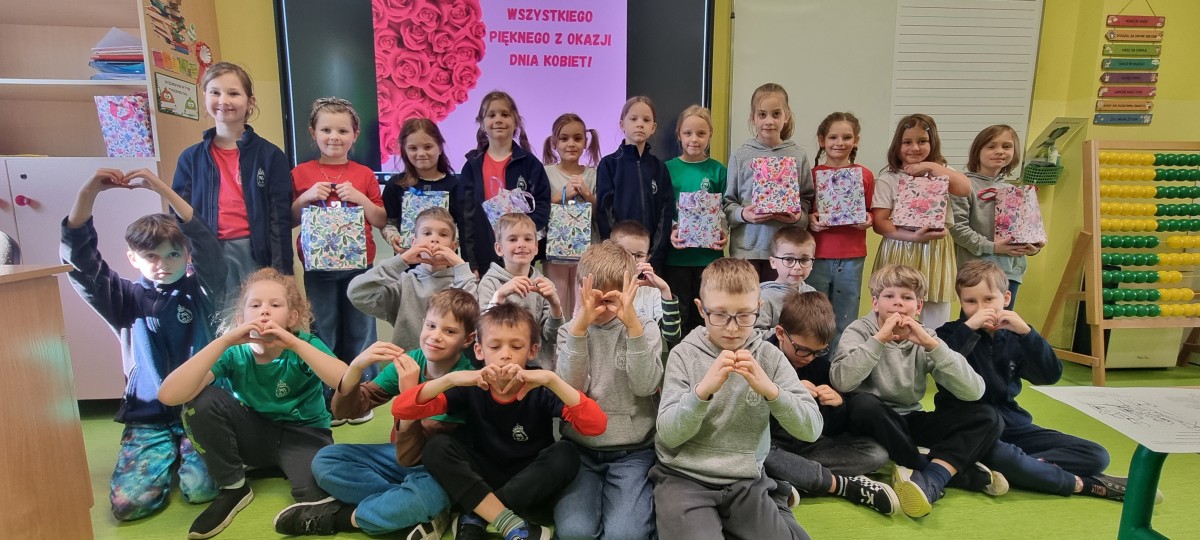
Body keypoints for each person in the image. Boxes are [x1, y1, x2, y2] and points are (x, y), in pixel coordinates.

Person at [61, 167, 226, 521]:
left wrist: (162, 188)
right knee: (129, 506)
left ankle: (186, 455)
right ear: (133, 258)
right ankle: (163, 454)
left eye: (173, 255)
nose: (162, 264)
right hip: (148, 416)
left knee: (201, 490)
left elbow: (207, 245)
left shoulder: (203, 292)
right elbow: (81, 263)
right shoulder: (123, 298)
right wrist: (88, 193)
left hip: (199, 409)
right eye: (151, 256)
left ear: (187, 256)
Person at [271, 289, 480, 538]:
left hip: (437, 470)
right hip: (398, 459)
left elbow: (412, 456)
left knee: (430, 495)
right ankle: (404, 507)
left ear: (468, 340)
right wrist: (356, 366)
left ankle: (341, 518)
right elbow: (347, 410)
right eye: (431, 325)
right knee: (326, 460)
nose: (435, 336)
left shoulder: (465, 382)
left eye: (450, 331)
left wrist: (409, 396)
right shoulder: (412, 360)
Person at [158, 268, 348, 539]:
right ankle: (234, 487)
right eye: (255, 305)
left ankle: (283, 467)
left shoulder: (304, 345)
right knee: (199, 400)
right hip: (254, 434)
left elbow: (345, 382)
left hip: (304, 434)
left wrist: (295, 344)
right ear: (241, 318)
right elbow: (169, 395)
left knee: (319, 494)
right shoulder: (234, 353)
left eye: (275, 305)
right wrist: (224, 341)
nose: (264, 311)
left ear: (292, 317)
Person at [392, 303, 608, 540]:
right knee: (436, 447)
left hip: (528, 484)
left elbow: (596, 426)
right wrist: (450, 379)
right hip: (481, 477)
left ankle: (477, 517)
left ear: (532, 350)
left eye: (516, 346)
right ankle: (505, 521)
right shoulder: (472, 384)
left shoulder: (541, 387)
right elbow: (402, 408)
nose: (506, 354)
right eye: (495, 346)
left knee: (566, 453)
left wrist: (552, 379)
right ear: (479, 350)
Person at [937, 260, 1136, 501]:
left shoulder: (1015, 335)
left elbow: (1049, 375)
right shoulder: (949, 333)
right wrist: (968, 329)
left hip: (1013, 425)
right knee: (1004, 457)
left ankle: (1021, 469)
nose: (981, 309)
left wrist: (1027, 333)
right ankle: (1082, 484)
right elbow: (941, 370)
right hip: (972, 428)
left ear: (1006, 298)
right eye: (971, 302)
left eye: (989, 299)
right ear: (961, 303)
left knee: (1096, 455)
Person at [654, 257, 822, 539]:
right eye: (720, 315)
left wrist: (772, 392)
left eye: (744, 315)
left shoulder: (769, 357)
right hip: (684, 477)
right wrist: (701, 393)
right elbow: (669, 435)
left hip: (745, 479)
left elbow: (811, 430)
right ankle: (775, 496)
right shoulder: (684, 354)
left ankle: (774, 496)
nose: (732, 328)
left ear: (759, 308)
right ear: (701, 309)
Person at [830, 264, 1004, 518]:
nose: (898, 303)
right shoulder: (859, 330)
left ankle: (932, 476)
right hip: (868, 419)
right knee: (863, 404)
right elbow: (842, 382)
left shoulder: (925, 335)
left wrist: (932, 345)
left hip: (908, 419)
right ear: (875, 303)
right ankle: (934, 469)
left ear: (919, 306)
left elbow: (974, 391)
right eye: (889, 296)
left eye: (907, 297)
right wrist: (879, 340)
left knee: (988, 416)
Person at [553, 241, 664, 539]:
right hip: (579, 449)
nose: (601, 307)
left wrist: (633, 328)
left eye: (611, 299)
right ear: (580, 288)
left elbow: (645, 386)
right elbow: (571, 392)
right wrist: (579, 330)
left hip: (633, 451)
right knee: (574, 532)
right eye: (595, 298)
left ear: (629, 293)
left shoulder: (646, 329)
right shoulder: (568, 331)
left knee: (626, 535)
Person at [291, 97, 386, 422]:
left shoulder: (363, 174)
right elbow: (288, 218)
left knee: (361, 331)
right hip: (318, 269)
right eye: (326, 130)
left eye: (343, 131)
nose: (334, 137)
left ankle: (361, 399)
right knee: (324, 331)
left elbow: (380, 219)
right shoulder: (301, 173)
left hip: (359, 268)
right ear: (313, 132)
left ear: (355, 134)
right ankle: (328, 398)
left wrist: (360, 198)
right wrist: (305, 198)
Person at [764, 290, 897, 515]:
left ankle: (792, 474)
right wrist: (783, 395)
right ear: (780, 333)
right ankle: (821, 479)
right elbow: (749, 425)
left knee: (876, 453)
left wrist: (837, 406)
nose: (809, 357)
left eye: (818, 351)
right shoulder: (762, 358)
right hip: (772, 443)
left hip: (806, 445)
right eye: (802, 350)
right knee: (755, 454)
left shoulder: (819, 364)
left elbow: (829, 430)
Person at [172, 61, 293, 299]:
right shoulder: (191, 158)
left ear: (250, 101)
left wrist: (283, 271)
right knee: (216, 313)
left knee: (256, 311)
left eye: (233, 93)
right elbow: (178, 214)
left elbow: (279, 220)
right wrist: (183, 256)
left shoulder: (270, 156)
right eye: (215, 92)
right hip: (207, 254)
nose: (223, 100)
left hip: (256, 254)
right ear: (205, 97)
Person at [870, 114, 971, 330]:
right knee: (893, 307)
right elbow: (879, 223)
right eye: (907, 142)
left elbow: (965, 188)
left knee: (935, 314)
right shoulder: (889, 178)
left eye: (922, 141)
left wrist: (932, 167)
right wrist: (913, 237)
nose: (914, 148)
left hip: (935, 251)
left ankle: (931, 346)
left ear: (933, 143)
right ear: (897, 145)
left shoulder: (943, 173)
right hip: (899, 248)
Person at [348, 207, 477, 351]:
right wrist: (401, 260)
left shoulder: (462, 282)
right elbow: (357, 293)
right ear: (414, 242)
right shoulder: (403, 284)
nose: (434, 239)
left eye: (443, 234)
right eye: (427, 233)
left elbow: (475, 320)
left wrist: (460, 266)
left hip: (452, 363)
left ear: (454, 246)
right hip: (407, 361)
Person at [723, 83, 814, 282]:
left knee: (781, 300)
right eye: (762, 115)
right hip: (747, 250)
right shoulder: (740, 155)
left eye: (776, 114)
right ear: (752, 117)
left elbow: (807, 200)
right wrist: (744, 214)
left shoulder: (798, 155)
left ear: (786, 116)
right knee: (747, 299)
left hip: (786, 252)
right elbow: (728, 204)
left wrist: (798, 217)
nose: (769, 121)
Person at [949, 125, 1043, 308]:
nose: (1000, 151)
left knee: (1003, 321)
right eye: (991, 146)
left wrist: (1032, 247)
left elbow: (1026, 232)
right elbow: (958, 229)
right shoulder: (964, 186)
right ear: (978, 151)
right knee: (975, 321)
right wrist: (993, 247)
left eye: (1006, 146)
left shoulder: (1015, 191)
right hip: (977, 271)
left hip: (1011, 270)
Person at [458, 90, 551, 272]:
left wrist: (523, 235)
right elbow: (466, 218)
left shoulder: (530, 163)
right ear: (481, 123)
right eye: (491, 115)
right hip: (484, 254)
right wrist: (470, 261)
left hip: (519, 255)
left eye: (505, 114)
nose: (498, 120)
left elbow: (542, 205)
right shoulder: (472, 166)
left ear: (516, 121)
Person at [807, 112, 874, 356]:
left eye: (847, 137)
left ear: (856, 141)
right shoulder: (812, 175)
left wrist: (868, 219)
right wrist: (811, 220)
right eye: (833, 137)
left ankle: (841, 364)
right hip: (818, 255)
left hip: (852, 256)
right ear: (822, 140)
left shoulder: (864, 175)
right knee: (815, 317)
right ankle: (815, 365)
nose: (840, 142)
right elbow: (805, 211)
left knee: (846, 317)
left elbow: (872, 211)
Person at [665, 104, 728, 333]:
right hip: (676, 257)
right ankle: (678, 354)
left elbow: (725, 208)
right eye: (688, 133)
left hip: (708, 257)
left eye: (701, 133)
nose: (694, 139)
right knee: (678, 314)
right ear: (679, 135)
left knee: (707, 314)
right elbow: (662, 209)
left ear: (710, 135)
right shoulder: (667, 169)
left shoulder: (718, 170)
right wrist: (671, 230)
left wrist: (723, 231)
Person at [595, 96, 676, 270]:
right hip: (617, 258)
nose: (640, 124)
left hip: (650, 258)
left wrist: (653, 254)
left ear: (653, 127)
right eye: (633, 119)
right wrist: (615, 250)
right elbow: (604, 211)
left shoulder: (659, 168)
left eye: (646, 120)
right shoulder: (609, 164)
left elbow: (665, 213)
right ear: (622, 124)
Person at [477, 213, 565, 369]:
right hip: (499, 366)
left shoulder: (545, 285)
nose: (521, 244)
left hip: (537, 368)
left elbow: (553, 337)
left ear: (536, 247)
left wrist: (555, 306)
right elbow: (482, 333)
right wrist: (499, 296)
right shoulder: (490, 282)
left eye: (528, 239)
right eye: (512, 239)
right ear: (499, 248)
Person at [541, 113, 601, 313]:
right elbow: (540, 209)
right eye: (564, 138)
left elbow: (601, 214)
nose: (571, 144)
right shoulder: (546, 173)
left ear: (585, 142)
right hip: (555, 253)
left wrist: (587, 194)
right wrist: (562, 194)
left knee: (582, 309)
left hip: (586, 253)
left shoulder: (593, 174)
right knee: (556, 306)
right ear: (554, 143)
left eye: (577, 138)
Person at [381, 118, 461, 254]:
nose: (421, 153)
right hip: (407, 261)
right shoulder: (395, 185)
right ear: (404, 150)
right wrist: (394, 238)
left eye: (428, 147)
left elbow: (463, 226)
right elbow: (388, 223)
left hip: (444, 261)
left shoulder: (456, 185)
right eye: (413, 148)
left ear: (440, 148)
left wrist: (451, 242)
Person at [609, 220, 683, 347]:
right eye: (626, 254)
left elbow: (672, 335)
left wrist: (665, 290)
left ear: (647, 259)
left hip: (646, 356)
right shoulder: (605, 287)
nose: (633, 261)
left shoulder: (652, 291)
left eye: (639, 255)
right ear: (611, 253)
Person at [756, 225, 817, 331]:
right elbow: (756, 334)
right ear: (773, 262)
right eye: (789, 259)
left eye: (804, 260)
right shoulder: (764, 297)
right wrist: (790, 333)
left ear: (812, 263)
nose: (797, 267)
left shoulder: (813, 294)